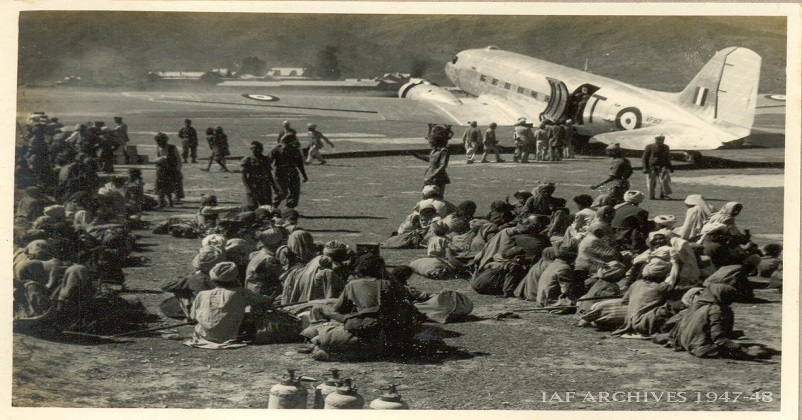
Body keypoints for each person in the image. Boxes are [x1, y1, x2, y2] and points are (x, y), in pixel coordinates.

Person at [187, 261, 272, 347]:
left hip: (203, 335)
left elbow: (193, 316)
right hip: (227, 336)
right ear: (235, 277)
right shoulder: (240, 293)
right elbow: (265, 300)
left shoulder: (202, 294)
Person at [271, 133, 308, 209]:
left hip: (293, 172)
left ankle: (290, 209)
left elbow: (299, 163)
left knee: (294, 192)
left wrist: (304, 175)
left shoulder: (295, 150)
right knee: (282, 192)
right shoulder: (277, 150)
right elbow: (268, 161)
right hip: (281, 172)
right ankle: (273, 206)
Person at [241, 141, 279, 210]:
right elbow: (244, 176)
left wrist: (275, 187)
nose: (258, 150)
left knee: (266, 207)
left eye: (260, 148)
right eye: (255, 148)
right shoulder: (247, 160)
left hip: (265, 186)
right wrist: (248, 188)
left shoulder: (266, 159)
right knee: (252, 206)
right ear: (251, 149)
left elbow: (269, 174)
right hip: (253, 185)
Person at [154, 133, 181, 208]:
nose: (159, 143)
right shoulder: (158, 148)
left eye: (160, 141)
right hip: (161, 170)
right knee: (160, 187)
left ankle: (169, 202)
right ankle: (161, 202)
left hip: (171, 170)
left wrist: (177, 170)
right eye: (157, 141)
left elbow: (178, 160)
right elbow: (157, 158)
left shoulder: (173, 148)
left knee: (168, 187)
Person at [642, 134, 674, 200]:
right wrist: (645, 167)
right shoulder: (649, 146)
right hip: (652, 166)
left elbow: (668, 158)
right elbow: (644, 158)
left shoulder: (666, 147)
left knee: (665, 181)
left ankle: (664, 195)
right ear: (655, 139)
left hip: (663, 166)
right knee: (651, 181)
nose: (660, 141)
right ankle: (651, 196)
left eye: (662, 139)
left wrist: (670, 167)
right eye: (658, 139)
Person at [423, 124, 452, 194]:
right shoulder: (434, 150)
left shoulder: (443, 151)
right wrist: (415, 155)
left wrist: (431, 176)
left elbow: (443, 165)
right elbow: (429, 159)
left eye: (430, 141)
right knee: (425, 194)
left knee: (437, 195)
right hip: (430, 175)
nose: (429, 142)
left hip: (438, 177)